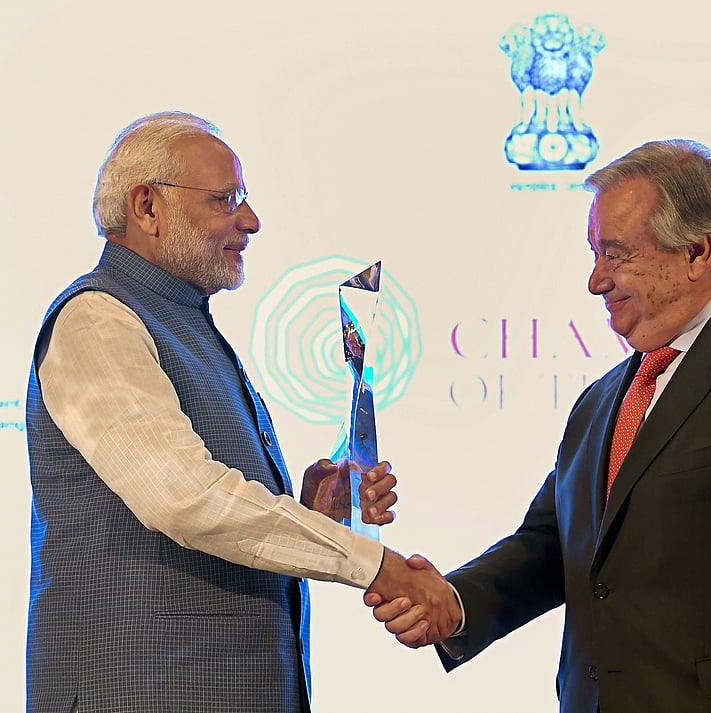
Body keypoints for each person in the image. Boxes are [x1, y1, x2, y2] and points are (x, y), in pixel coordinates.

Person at [367, 139, 711, 712]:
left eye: (616, 254)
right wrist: (455, 601)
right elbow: (550, 545)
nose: (595, 280)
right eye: (593, 254)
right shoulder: (601, 399)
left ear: (697, 253)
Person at [25, 111, 457, 713]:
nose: (250, 221)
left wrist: (315, 512)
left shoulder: (182, 319)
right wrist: (373, 565)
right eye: (225, 200)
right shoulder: (98, 322)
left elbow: (204, 513)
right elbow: (187, 500)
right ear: (146, 207)